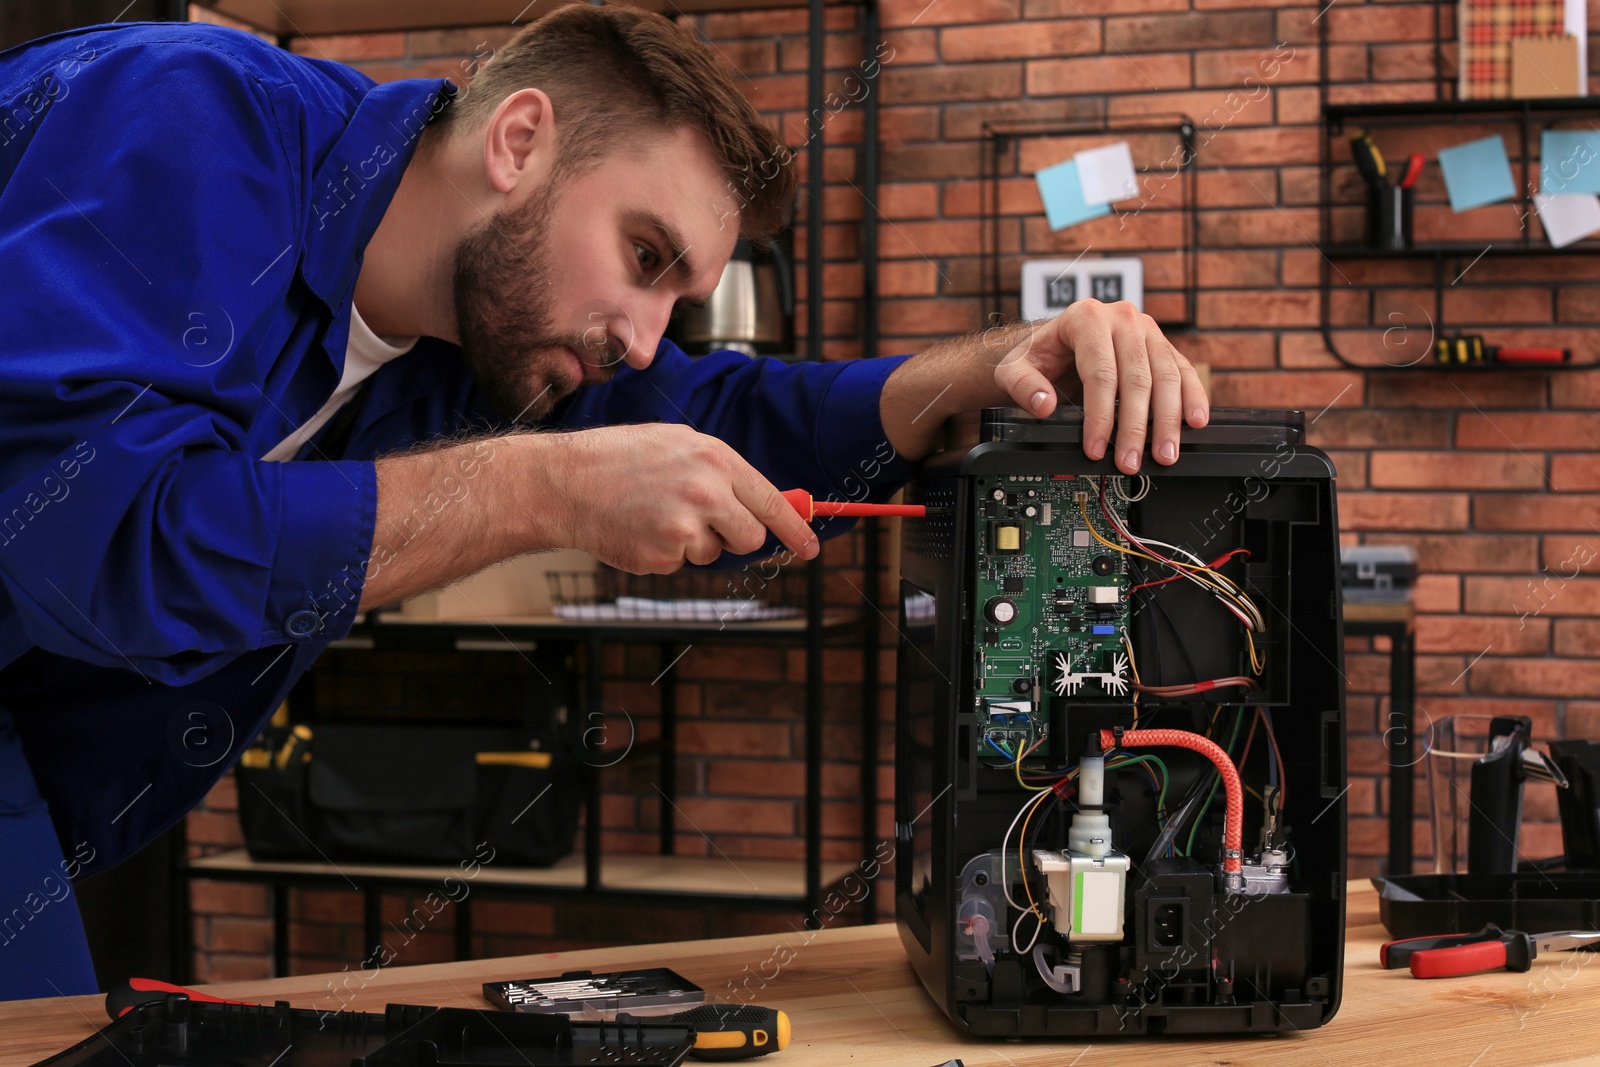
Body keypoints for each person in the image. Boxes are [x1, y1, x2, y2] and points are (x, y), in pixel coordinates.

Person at [0, 7, 1208, 999]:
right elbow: (95, 530)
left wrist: (998, 361)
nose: (642, 340)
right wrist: (538, 484)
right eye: (643, 257)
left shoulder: (465, 344)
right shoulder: (187, 119)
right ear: (519, 140)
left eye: (677, 297)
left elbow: (735, 418)